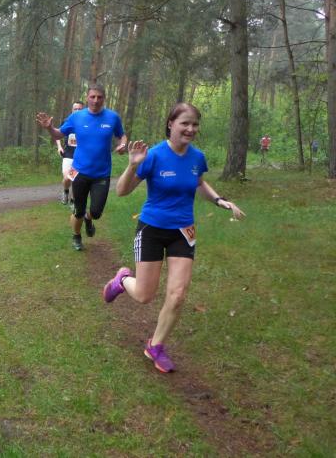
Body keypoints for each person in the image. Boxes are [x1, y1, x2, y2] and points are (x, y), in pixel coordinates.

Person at [102, 103, 245, 373]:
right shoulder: (153, 155)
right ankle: (122, 280)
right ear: (171, 124)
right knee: (144, 295)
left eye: (195, 124)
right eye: (185, 123)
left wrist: (219, 200)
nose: (190, 129)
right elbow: (121, 191)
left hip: (183, 231)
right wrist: (132, 166)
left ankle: (155, 346)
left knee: (178, 295)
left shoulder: (197, 157)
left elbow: (199, 182)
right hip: (152, 229)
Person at [37, 84, 127, 251]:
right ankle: (77, 236)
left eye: (99, 97)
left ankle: (89, 217)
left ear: (104, 98)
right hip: (78, 171)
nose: (96, 100)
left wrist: (123, 144)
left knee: (96, 212)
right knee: (78, 210)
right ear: (87, 98)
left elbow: (122, 135)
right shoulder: (77, 117)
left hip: (101, 174)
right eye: (92, 97)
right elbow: (58, 134)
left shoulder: (112, 117)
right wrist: (49, 127)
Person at [56, 101, 84, 207]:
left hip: (80, 157)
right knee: (67, 178)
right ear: (72, 110)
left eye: (79, 109)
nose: (77, 111)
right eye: (75, 109)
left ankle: (73, 201)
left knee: (75, 179)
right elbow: (57, 135)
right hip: (68, 155)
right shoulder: (67, 121)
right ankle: (66, 191)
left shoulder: (87, 122)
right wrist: (59, 147)